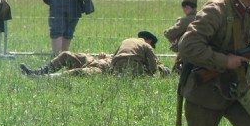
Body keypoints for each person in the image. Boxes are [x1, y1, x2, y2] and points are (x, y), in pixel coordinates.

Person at [19, 31, 170, 77]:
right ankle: (39, 71)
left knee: (79, 72)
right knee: (66, 55)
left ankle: (44, 78)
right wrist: (104, 57)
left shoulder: (128, 42)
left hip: (103, 68)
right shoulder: (144, 48)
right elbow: (152, 68)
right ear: (149, 41)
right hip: (102, 61)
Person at [164, 0, 198, 73]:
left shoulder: (187, 20)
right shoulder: (202, 17)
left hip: (187, 53)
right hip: (201, 52)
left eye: (188, 5)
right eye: (184, 5)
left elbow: (169, 33)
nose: (186, 7)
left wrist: (173, 39)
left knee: (177, 75)